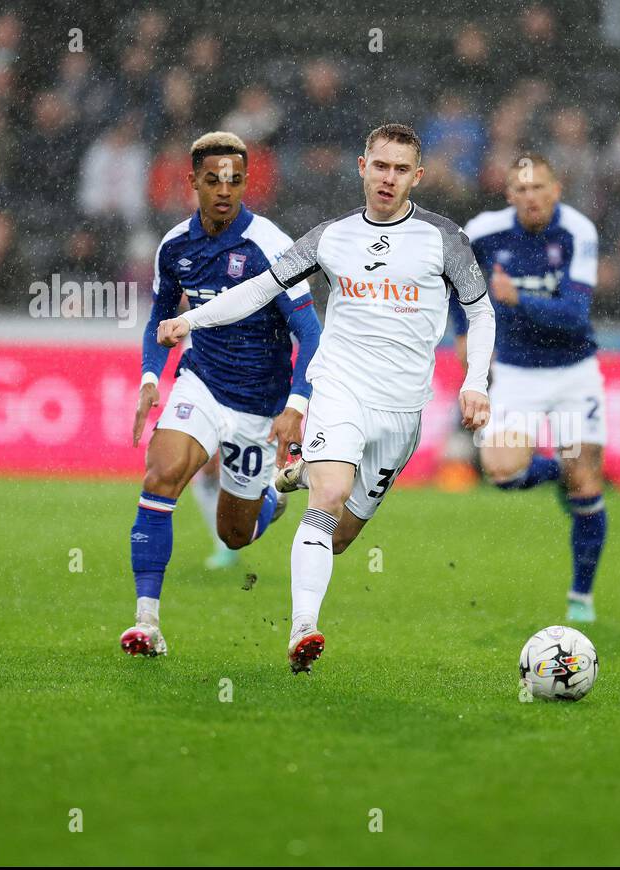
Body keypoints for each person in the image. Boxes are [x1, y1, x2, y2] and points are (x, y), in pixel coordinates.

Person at [156, 123, 495, 675]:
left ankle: (291, 476)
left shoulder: (443, 239)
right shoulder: (330, 237)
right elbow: (260, 289)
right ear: (362, 167)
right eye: (380, 166)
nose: (389, 178)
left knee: (339, 538)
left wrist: (475, 382)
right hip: (340, 388)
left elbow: (480, 311)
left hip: (403, 409)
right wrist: (189, 317)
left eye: (400, 169)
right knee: (329, 495)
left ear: (417, 177)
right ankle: (303, 629)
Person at [121, 131, 320, 658]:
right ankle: (147, 623)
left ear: (246, 182)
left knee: (234, 534)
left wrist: (295, 406)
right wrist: (148, 377)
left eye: (235, 180)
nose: (225, 190)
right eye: (213, 180)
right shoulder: (176, 248)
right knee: (160, 474)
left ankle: (271, 497)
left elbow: (313, 334)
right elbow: (161, 319)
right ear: (192, 183)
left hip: (258, 404)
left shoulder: (273, 248)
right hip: (201, 383)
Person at [451, 152, 607, 623]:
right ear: (509, 195)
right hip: (517, 372)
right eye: (521, 190)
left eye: (539, 187)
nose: (531, 197)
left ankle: (581, 597)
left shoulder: (578, 232)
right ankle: (559, 470)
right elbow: (452, 276)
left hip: (574, 371)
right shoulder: (483, 231)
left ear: (556, 190)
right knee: (500, 470)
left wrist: (519, 300)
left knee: (587, 486)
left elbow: (576, 313)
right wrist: (463, 331)